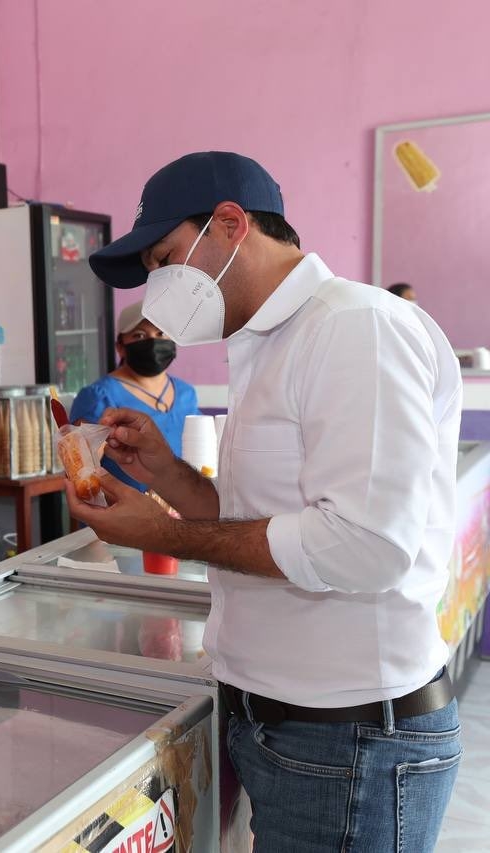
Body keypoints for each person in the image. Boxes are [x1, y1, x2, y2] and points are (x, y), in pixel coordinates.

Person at [72, 152, 461, 852]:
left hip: (351, 738)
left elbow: (363, 545)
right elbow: (255, 511)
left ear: (228, 225)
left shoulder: (353, 327)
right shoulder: (264, 343)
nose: (159, 288)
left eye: (165, 259)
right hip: (281, 724)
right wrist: (165, 473)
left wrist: (162, 532)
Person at [69, 301, 199, 491]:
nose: (153, 341)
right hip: (122, 514)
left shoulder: (187, 394)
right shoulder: (98, 397)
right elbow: (80, 468)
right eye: (139, 335)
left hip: (181, 511)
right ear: (120, 347)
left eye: (161, 333)